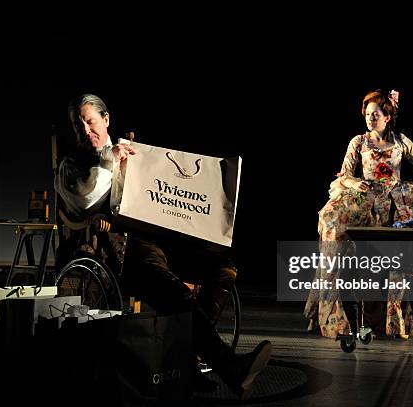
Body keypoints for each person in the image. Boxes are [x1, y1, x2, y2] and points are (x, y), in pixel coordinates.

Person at [55, 94, 271, 399]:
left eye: (90, 122)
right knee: (173, 289)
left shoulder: (134, 151)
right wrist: (110, 161)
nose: (85, 130)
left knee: (224, 268)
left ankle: (187, 362)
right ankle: (227, 366)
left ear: (106, 119)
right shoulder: (71, 164)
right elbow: (84, 200)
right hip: (119, 248)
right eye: (78, 126)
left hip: (161, 240)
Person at [304, 89, 413, 339]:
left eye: (376, 114)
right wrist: (352, 184)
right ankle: (334, 314)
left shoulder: (401, 141)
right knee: (331, 219)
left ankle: (411, 314)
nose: (370, 118)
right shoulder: (359, 142)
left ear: (387, 117)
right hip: (367, 195)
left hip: (396, 198)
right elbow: (345, 174)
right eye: (368, 114)